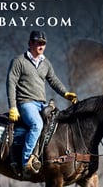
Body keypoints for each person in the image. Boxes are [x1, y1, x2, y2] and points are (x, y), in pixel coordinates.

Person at [6, 30, 77, 172]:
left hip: (41, 103)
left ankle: (43, 158)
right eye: (38, 43)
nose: (41, 46)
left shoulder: (46, 63)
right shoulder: (19, 61)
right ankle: (26, 161)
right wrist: (13, 107)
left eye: (43, 43)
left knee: (55, 125)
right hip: (26, 102)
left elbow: (53, 80)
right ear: (30, 43)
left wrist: (65, 93)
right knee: (37, 125)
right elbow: (11, 83)